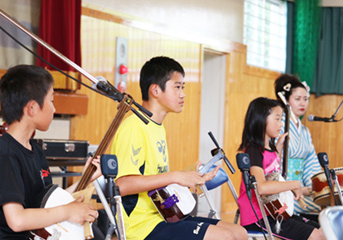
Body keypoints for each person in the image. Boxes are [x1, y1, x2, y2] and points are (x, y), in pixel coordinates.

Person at [111, 56, 247, 240]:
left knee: (239, 233)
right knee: (225, 237)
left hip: (166, 215)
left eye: (183, 87)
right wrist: (176, 176)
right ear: (155, 90)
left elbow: (155, 180)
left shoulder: (157, 127)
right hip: (142, 227)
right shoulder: (133, 128)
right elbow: (122, 185)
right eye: (177, 87)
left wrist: (192, 177)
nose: (183, 94)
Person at [0, 65, 102, 239]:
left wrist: (86, 179)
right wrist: (68, 211)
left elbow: (46, 204)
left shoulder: (35, 150)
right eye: (51, 101)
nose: (54, 109)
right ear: (32, 108)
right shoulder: (5, 155)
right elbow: (17, 220)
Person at [237, 97, 325, 240]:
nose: (281, 124)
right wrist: (294, 184)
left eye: (281, 119)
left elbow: (271, 172)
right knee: (317, 236)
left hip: (274, 212)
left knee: (322, 229)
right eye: (277, 119)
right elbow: (261, 187)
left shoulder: (269, 149)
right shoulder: (253, 150)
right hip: (259, 218)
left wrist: (277, 149)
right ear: (261, 119)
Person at [274, 74, 321, 220]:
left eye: (305, 99)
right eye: (297, 99)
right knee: (326, 209)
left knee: (330, 202)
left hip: (302, 190)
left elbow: (311, 163)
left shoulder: (305, 131)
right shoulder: (278, 126)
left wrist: (317, 185)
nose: (303, 104)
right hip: (283, 189)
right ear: (286, 100)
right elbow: (274, 162)